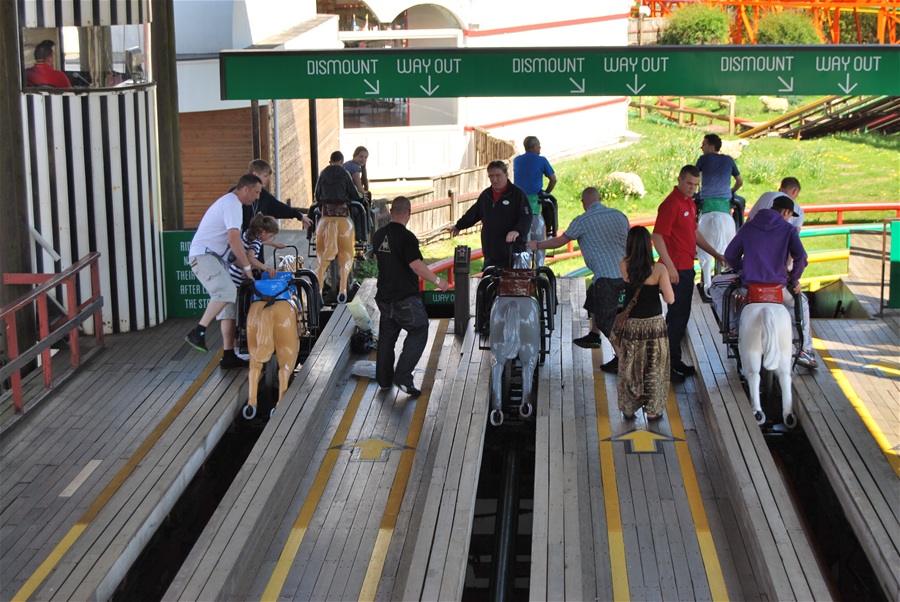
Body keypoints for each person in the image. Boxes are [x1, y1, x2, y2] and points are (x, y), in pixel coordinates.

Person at [526, 187, 628, 373]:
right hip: (627, 274)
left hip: (607, 278)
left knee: (607, 321)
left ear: (583, 202)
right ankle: (593, 335)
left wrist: (537, 244)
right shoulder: (619, 215)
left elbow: (559, 242)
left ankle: (622, 358)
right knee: (592, 295)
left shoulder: (582, 221)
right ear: (600, 199)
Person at [724, 195, 818, 369]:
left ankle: (732, 328)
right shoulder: (788, 229)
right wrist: (794, 278)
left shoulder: (749, 227)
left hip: (749, 288)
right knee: (802, 303)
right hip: (778, 289)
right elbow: (801, 257)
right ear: (787, 212)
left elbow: (730, 254)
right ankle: (804, 350)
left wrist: (742, 268)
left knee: (720, 290)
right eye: (790, 215)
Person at [652, 165, 725, 382]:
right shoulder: (671, 204)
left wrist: (716, 253)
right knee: (676, 318)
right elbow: (657, 237)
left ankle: (674, 361)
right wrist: (670, 267)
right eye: (689, 183)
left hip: (685, 267)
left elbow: (694, 233)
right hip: (676, 270)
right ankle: (668, 365)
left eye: (696, 184)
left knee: (680, 317)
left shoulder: (690, 203)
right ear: (679, 179)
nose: (693, 188)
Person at [373, 196, 450, 396]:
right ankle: (403, 377)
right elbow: (416, 265)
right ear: (409, 213)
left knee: (387, 338)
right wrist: (439, 282)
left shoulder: (379, 234)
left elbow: (379, 257)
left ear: (391, 211)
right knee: (419, 328)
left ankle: (383, 379)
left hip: (384, 297)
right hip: (404, 298)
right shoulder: (407, 238)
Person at [184, 174, 263, 368]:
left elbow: (233, 251)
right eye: (256, 192)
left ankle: (228, 355)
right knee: (226, 291)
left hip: (215, 257)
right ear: (245, 189)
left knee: (229, 304)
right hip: (204, 256)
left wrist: (247, 268)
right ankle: (198, 331)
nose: (257, 197)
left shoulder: (231, 204)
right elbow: (234, 240)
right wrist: (247, 267)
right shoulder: (232, 204)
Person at [617, 226, 675, 420]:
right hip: (654, 326)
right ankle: (652, 410)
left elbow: (628, 282)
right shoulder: (659, 269)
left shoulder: (624, 264)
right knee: (655, 368)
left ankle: (628, 407)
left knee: (630, 366)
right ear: (648, 245)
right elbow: (670, 299)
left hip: (632, 325)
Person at [448, 160, 532, 269]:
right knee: (489, 283)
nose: (494, 179)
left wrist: (517, 230)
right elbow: (473, 213)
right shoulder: (486, 195)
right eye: (491, 176)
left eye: (498, 175)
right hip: (491, 251)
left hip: (513, 252)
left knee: (511, 284)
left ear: (506, 175)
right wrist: (458, 226)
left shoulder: (517, 194)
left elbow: (526, 216)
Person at [242, 159, 312, 262]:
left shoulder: (264, 196)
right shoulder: (240, 195)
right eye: (265, 176)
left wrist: (300, 216)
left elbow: (280, 207)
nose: (268, 180)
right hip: (240, 251)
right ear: (255, 174)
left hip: (256, 251)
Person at [514, 136, 557, 263]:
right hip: (534, 201)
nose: (540, 148)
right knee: (551, 203)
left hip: (519, 201)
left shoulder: (517, 160)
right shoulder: (541, 160)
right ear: (534, 147)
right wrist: (546, 192)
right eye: (539, 146)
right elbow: (553, 179)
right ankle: (550, 231)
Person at [696, 134, 743, 222]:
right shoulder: (729, 160)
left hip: (706, 198)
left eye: (703, 145)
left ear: (711, 147)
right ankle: (738, 229)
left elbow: (693, 176)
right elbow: (740, 182)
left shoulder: (703, 159)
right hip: (725, 199)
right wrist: (732, 191)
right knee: (741, 203)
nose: (701, 147)